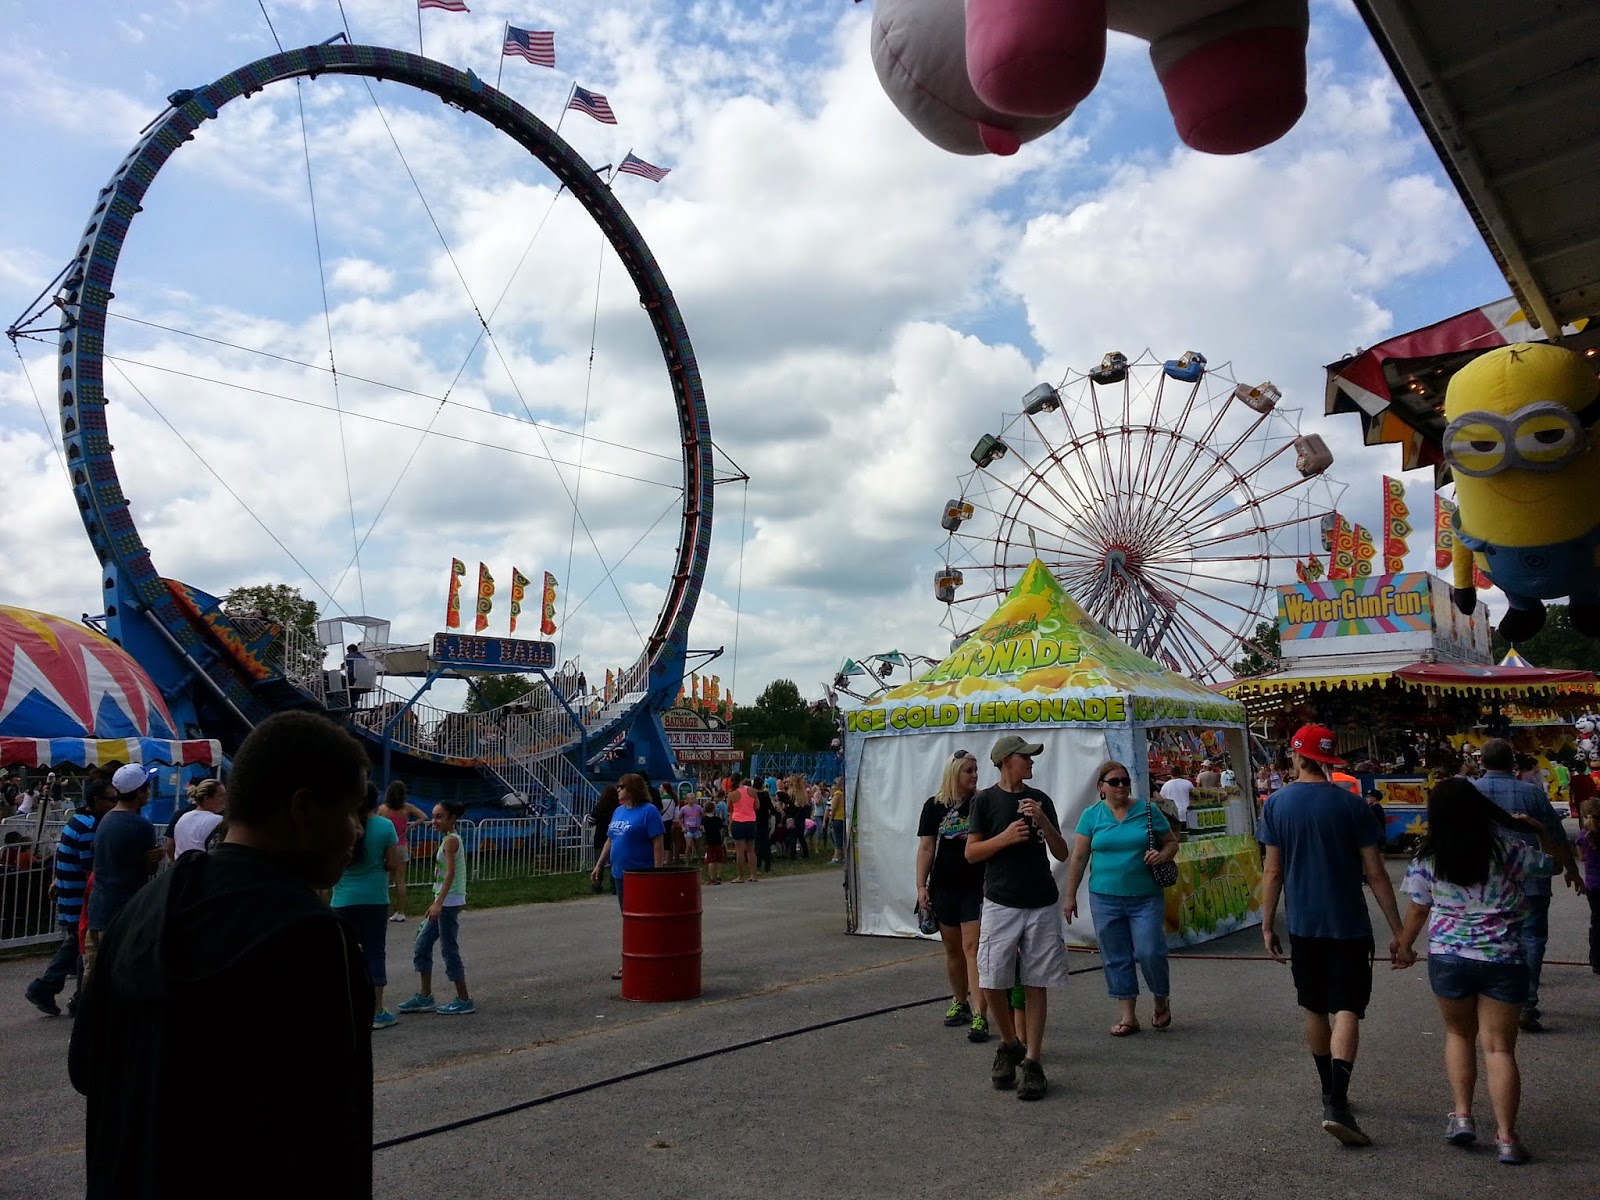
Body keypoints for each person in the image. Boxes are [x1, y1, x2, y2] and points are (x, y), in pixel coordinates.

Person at [68, 710, 374, 1198]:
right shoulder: (311, 936)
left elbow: (85, 1068)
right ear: (303, 808)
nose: (356, 831)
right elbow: (329, 1129)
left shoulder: (142, 909)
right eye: (352, 811)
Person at [1258, 724, 1411, 1147]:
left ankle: (1328, 1090)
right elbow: (1376, 873)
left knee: (1314, 1006)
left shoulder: (1276, 804)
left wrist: (1268, 923)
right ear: (1327, 759)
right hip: (1349, 924)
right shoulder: (1353, 806)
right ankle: (1338, 1103)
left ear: (1297, 756)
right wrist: (1399, 931)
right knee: (1347, 1008)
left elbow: (1272, 872)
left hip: (1303, 924)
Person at [1396, 777, 1563, 1165]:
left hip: (1449, 957)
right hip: (1503, 958)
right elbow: (1553, 866)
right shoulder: (1509, 850)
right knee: (1499, 1048)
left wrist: (1404, 944)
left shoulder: (1428, 856)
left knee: (1458, 1034)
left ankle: (1462, 1117)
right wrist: (1540, 831)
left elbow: (1419, 908)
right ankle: (1506, 1138)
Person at [965, 734, 1071, 1101]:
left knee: (1037, 981)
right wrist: (1006, 837)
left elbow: (1062, 852)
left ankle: (1033, 1061)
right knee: (992, 978)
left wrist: (1042, 819)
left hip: (1040, 901)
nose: (1031, 762)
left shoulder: (1040, 799)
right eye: (1025, 757)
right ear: (1007, 760)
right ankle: (1010, 1043)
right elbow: (972, 853)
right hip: (1001, 901)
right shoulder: (984, 801)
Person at [1471, 738, 1586, 1032]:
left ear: (1481, 762)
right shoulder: (1531, 793)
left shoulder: (1470, 792)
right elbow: (1555, 834)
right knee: (1532, 939)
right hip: (1531, 877)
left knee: (1488, 937)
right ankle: (1524, 1002)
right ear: (1513, 763)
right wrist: (1572, 870)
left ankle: (1493, 999)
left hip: (1484, 881)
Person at [1064, 760, 1180, 1036]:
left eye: (1125, 781)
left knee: (1150, 951)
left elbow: (1171, 842)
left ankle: (1160, 998)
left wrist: (1162, 855)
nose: (1121, 786)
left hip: (1145, 896)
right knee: (1116, 956)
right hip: (1104, 897)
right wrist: (1070, 896)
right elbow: (1078, 858)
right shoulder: (1091, 815)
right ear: (1101, 787)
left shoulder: (1148, 810)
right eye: (1114, 782)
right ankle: (1128, 1016)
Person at [915, 749, 991, 1043]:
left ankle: (980, 1013)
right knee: (953, 949)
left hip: (976, 886)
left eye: (976, 770)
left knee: (973, 948)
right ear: (954, 773)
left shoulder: (982, 802)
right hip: (943, 886)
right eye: (968, 771)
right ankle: (960, 1000)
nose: (974, 775)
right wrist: (921, 887)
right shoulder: (934, 806)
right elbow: (926, 848)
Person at [26, 777, 116, 1017]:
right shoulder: (89, 828)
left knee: (76, 946)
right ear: (96, 800)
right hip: (79, 897)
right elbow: (90, 872)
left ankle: (60, 992)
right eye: (111, 800)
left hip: (70, 893)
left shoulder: (77, 820)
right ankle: (51, 989)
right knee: (79, 946)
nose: (114, 804)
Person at [84, 764, 163, 985]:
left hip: (99, 909)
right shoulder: (141, 826)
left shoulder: (106, 819)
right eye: (146, 788)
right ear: (139, 793)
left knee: (95, 975)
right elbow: (149, 869)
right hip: (125, 912)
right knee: (123, 977)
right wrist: (155, 858)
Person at [333, 783, 403, 1030]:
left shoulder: (343, 825)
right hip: (375, 897)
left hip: (343, 898)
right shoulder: (385, 826)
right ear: (376, 801)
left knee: (346, 955)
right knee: (374, 952)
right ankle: (376, 1010)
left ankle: (348, 1008)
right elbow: (393, 863)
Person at [396, 800, 475, 1015]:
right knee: (422, 944)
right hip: (442, 900)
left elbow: (450, 874)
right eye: (433, 816)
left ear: (452, 818)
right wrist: (436, 900)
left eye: (440, 817)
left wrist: (439, 903)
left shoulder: (451, 841)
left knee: (449, 949)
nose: (434, 821)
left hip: (449, 902)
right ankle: (425, 996)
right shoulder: (447, 839)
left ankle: (464, 999)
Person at [589, 774, 665, 979]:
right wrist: (599, 865)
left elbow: (658, 842)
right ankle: (632, 958)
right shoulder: (619, 811)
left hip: (641, 874)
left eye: (621, 786)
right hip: (619, 874)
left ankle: (644, 958)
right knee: (628, 919)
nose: (618, 789)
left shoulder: (649, 811)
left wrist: (657, 871)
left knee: (641, 920)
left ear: (632, 789)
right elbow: (611, 839)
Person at [380, 780, 430, 920]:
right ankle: (401, 912)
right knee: (400, 880)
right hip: (402, 845)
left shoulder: (383, 809)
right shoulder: (407, 808)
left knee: (385, 881)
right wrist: (411, 826)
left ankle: (383, 910)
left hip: (387, 847)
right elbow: (424, 817)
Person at [171, 779, 226, 857]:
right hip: (204, 864)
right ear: (207, 799)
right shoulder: (218, 820)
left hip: (181, 863)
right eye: (221, 795)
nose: (225, 799)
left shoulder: (183, 818)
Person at [1576, 798, 1600, 973]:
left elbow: (1582, 857)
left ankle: (1596, 959)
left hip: (1593, 885)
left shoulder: (1582, 836)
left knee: (1597, 921)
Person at [587, 785, 622, 893]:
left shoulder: (599, 806)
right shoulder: (618, 808)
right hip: (613, 836)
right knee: (613, 863)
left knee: (599, 863)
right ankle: (614, 886)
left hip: (600, 836)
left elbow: (591, 821)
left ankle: (596, 885)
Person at [728, 773, 758, 883]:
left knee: (740, 851)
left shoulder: (732, 794)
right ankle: (753, 874)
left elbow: (730, 809)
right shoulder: (751, 790)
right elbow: (757, 806)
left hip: (738, 822)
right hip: (751, 821)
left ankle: (741, 876)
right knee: (751, 850)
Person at [701, 800, 727, 885]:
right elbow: (721, 830)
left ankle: (712, 878)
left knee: (711, 860)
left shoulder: (704, 820)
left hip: (709, 841)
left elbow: (703, 829)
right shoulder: (717, 819)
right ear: (714, 809)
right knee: (719, 859)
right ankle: (719, 876)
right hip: (718, 840)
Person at [754, 780, 776, 873]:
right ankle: (767, 865)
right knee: (766, 843)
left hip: (755, 820)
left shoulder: (753, 796)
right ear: (762, 785)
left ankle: (758, 864)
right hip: (764, 820)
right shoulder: (765, 795)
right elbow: (771, 808)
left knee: (757, 843)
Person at [681, 791, 705, 869]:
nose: (693, 800)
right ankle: (687, 861)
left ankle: (699, 859)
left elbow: (703, 816)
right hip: (688, 830)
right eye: (691, 799)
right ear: (687, 800)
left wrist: (702, 825)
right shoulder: (684, 809)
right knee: (688, 846)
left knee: (698, 845)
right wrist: (682, 826)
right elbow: (679, 818)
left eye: (694, 798)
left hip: (697, 829)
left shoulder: (698, 808)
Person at [828, 782, 846, 865]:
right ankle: (842, 856)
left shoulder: (837, 794)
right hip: (843, 818)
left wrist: (831, 818)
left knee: (837, 838)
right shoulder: (843, 794)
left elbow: (834, 808)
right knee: (842, 838)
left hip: (837, 818)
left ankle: (836, 857)